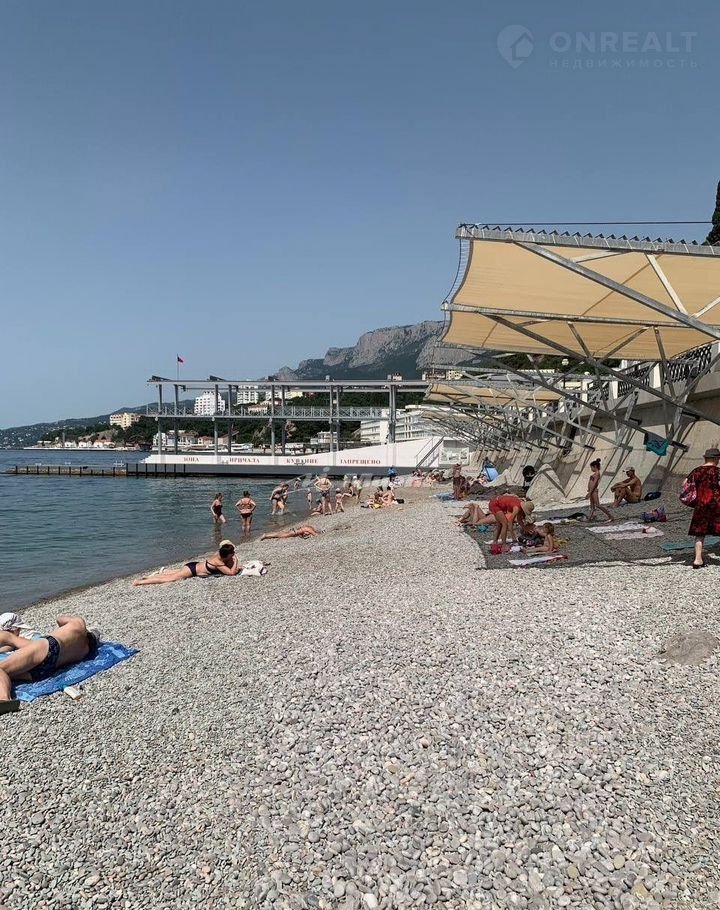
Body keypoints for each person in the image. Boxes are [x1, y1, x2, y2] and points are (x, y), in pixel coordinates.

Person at [0, 614, 99, 715]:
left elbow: (59, 619)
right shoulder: (85, 651)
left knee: (2, 667)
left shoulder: (78, 623)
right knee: (6, 673)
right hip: (47, 669)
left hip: (49, 646)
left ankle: (4, 699)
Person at [133, 541, 240, 585]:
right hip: (191, 570)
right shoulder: (218, 562)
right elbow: (231, 573)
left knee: (171, 575)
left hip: (193, 565)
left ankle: (148, 577)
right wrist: (236, 561)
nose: (234, 554)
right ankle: (138, 582)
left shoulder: (219, 554)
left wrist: (231, 559)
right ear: (228, 554)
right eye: (232, 553)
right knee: (169, 579)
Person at [687, 447, 720, 569]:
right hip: (717, 505)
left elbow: (684, 484)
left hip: (701, 505)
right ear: (716, 459)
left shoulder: (696, 471)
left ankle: (697, 560)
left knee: (700, 534)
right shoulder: (717, 472)